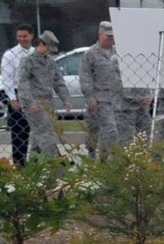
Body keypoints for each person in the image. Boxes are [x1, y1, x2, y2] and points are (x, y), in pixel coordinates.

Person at [17, 30, 73, 159]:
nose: (50, 51)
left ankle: (33, 167)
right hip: (34, 102)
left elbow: (58, 81)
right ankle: (55, 165)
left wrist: (66, 99)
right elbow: (23, 83)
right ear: (42, 44)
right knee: (45, 134)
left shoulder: (50, 61)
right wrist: (31, 102)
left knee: (39, 137)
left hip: (48, 102)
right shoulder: (28, 60)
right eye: (48, 47)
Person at [82, 22, 127, 153]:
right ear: (100, 35)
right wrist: (90, 98)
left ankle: (104, 156)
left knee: (111, 128)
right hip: (99, 98)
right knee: (94, 130)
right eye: (108, 36)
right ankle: (91, 154)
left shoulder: (118, 52)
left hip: (116, 98)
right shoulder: (90, 54)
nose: (111, 39)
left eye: (113, 36)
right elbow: (85, 77)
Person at [0, 25, 35, 164]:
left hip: (35, 94)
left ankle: (45, 159)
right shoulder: (10, 55)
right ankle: (19, 161)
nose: (22, 39)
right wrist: (13, 99)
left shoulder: (35, 53)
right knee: (20, 132)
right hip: (18, 94)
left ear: (31, 36)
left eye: (24, 36)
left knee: (42, 130)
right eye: (19, 36)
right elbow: (7, 79)